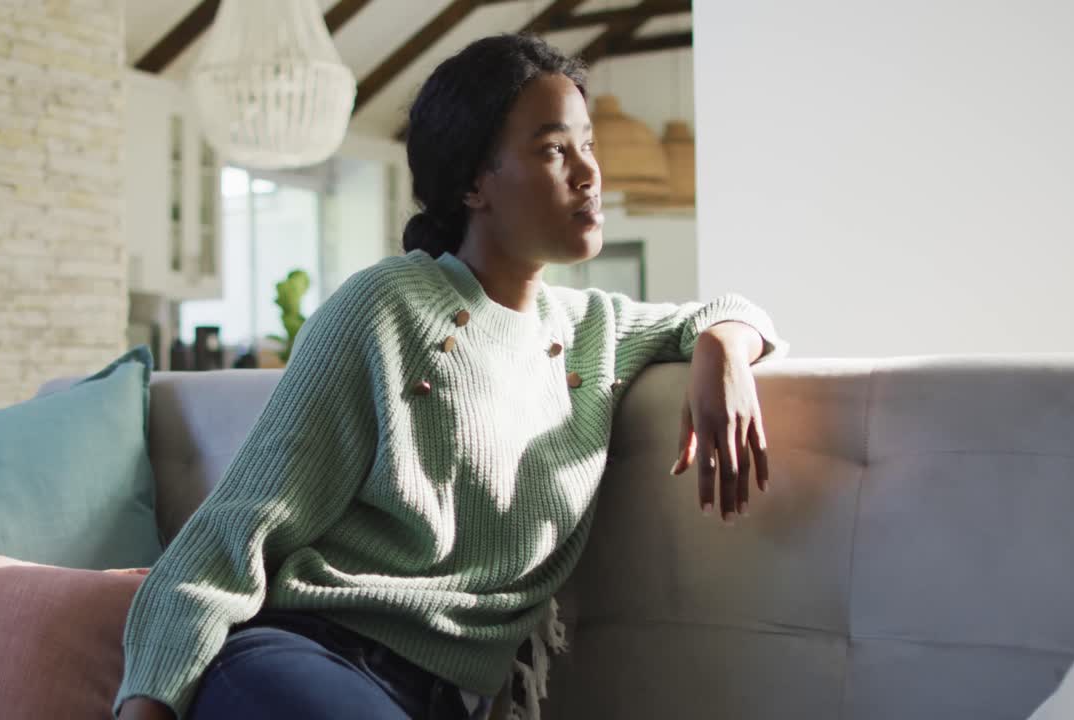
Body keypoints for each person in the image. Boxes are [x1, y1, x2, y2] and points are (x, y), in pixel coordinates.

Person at [114, 33, 788, 720]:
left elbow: (730, 310)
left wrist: (724, 348)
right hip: (305, 662)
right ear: (473, 183)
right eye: (555, 149)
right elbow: (236, 531)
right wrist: (149, 706)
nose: (589, 173)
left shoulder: (594, 329)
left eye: (588, 144)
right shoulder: (385, 307)